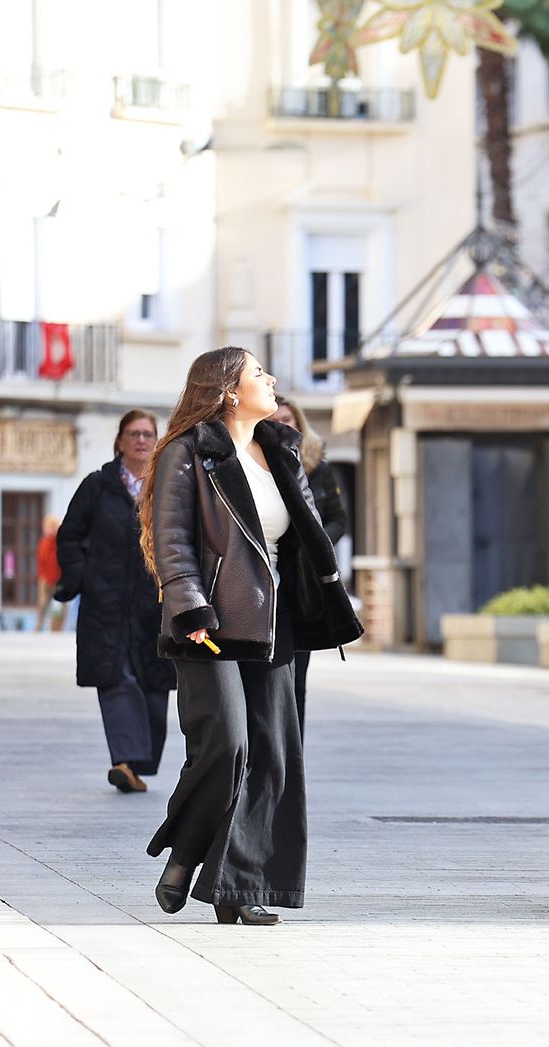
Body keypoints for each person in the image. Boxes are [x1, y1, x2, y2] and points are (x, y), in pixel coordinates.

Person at [143, 347, 363, 927]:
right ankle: (188, 852)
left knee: (272, 757)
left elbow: (306, 539)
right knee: (228, 746)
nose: (271, 379)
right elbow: (172, 540)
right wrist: (189, 607)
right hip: (208, 625)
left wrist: (330, 600)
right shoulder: (187, 454)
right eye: (259, 373)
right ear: (231, 391)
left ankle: (240, 886)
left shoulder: (282, 452)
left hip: (276, 624)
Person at [56, 410, 176, 795]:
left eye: (147, 434)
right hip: (105, 604)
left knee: (153, 687)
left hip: (154, 606)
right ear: (120, 441)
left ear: (156, 441)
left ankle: (137, 763)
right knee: (116, 678)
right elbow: (69, 535)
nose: (141, 440)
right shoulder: (97, 486)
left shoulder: (168, 488)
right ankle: (124, 761)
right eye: (133, 433)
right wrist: (81, 577)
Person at [267, 395, 349, 733]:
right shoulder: (259, 465)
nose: (283, 425)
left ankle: (292, 754)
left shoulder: (319, 467)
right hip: (268, 576)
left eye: (288, 419)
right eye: (276, 419)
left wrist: (315, 543)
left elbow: (338, 520)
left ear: (299, 424)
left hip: (304, 584)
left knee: (297, 675)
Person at [36, 516, 64, 631]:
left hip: (58, 579)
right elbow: (41, 560)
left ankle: (55, 628)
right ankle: (39, 626)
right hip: (45, 579)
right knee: (43, 604)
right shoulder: (45, 542)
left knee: (59, 606)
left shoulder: (59, 542)